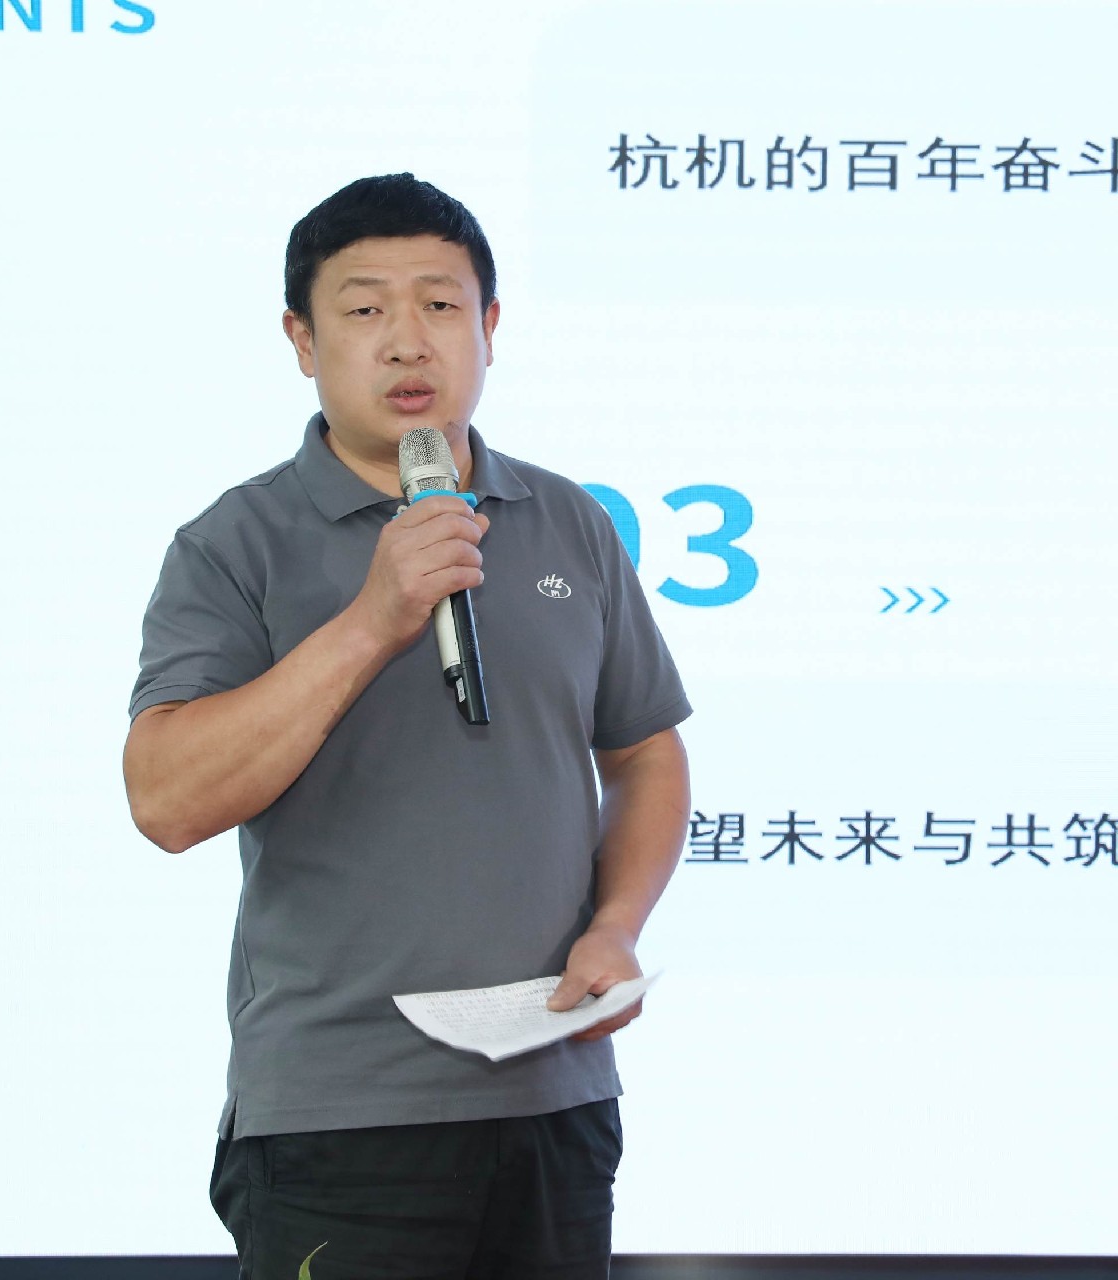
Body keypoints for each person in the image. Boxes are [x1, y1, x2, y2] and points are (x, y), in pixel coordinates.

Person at [122, 173, 692, 1279]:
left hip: (555, 1095)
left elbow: (643, 751)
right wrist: (373, 619)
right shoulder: (234, 543)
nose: (406, 340)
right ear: (302, 340)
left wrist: (618, 922)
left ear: (489, 328)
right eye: (364, 308)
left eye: (439, 304)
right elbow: (166, 801)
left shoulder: (568, 519)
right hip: (341, 1116)